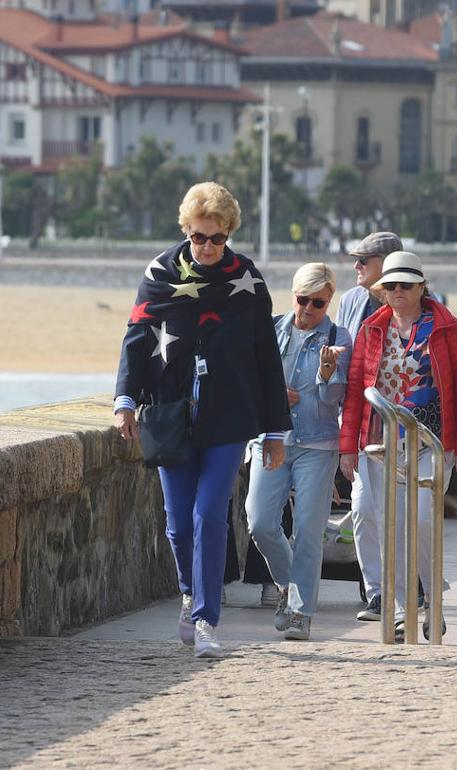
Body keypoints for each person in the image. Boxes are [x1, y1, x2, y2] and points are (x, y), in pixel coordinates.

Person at [113, 181, 290, 658]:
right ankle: (189, 591)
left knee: (210, 514)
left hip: (228, 418)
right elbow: (136, 338)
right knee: (178, 524)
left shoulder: (247, 282)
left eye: (217, 238)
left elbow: (265, 358)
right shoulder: (159, 273)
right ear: (186, 232)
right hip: (171, 417)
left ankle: (207, 619)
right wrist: (125, 401)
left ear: (229, 234)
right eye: (198, 237)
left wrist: (275, 431)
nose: (207, 247)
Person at [339, 251, 457, 639]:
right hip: (378, 442)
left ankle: (433, 599)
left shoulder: (448, 329)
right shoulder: (371, 329)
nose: (398, 292)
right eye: (391, 286)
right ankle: (401, 607)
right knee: (377, 519)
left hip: (429, 444)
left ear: (422, 287)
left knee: (419, 520)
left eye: (406, 285)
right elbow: (356, 390)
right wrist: (347, 445)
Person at [245, 263, 352, 641]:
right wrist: (272, 397)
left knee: (308, 529)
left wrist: (326, 374)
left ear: (329, 302)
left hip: (317, 445)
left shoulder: (340, 339)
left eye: (318, 304)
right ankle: (290, 587)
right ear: (292, 295)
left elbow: (333, 401)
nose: (308, 310)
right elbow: (249, 384)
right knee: (258, 521)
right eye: (302, 300)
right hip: (270, 440)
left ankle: (300, 612)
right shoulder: (272, 330)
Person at [334, 231, 404, 622]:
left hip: (407, 428)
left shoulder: (414, 300)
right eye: (356, 258)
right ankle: (376, 592)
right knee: (363, 510)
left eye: (365, 259)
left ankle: (409, 587)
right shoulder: (349, 301)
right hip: (362, 425)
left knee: (405, 513)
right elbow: (345, 370)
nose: (357, 266)